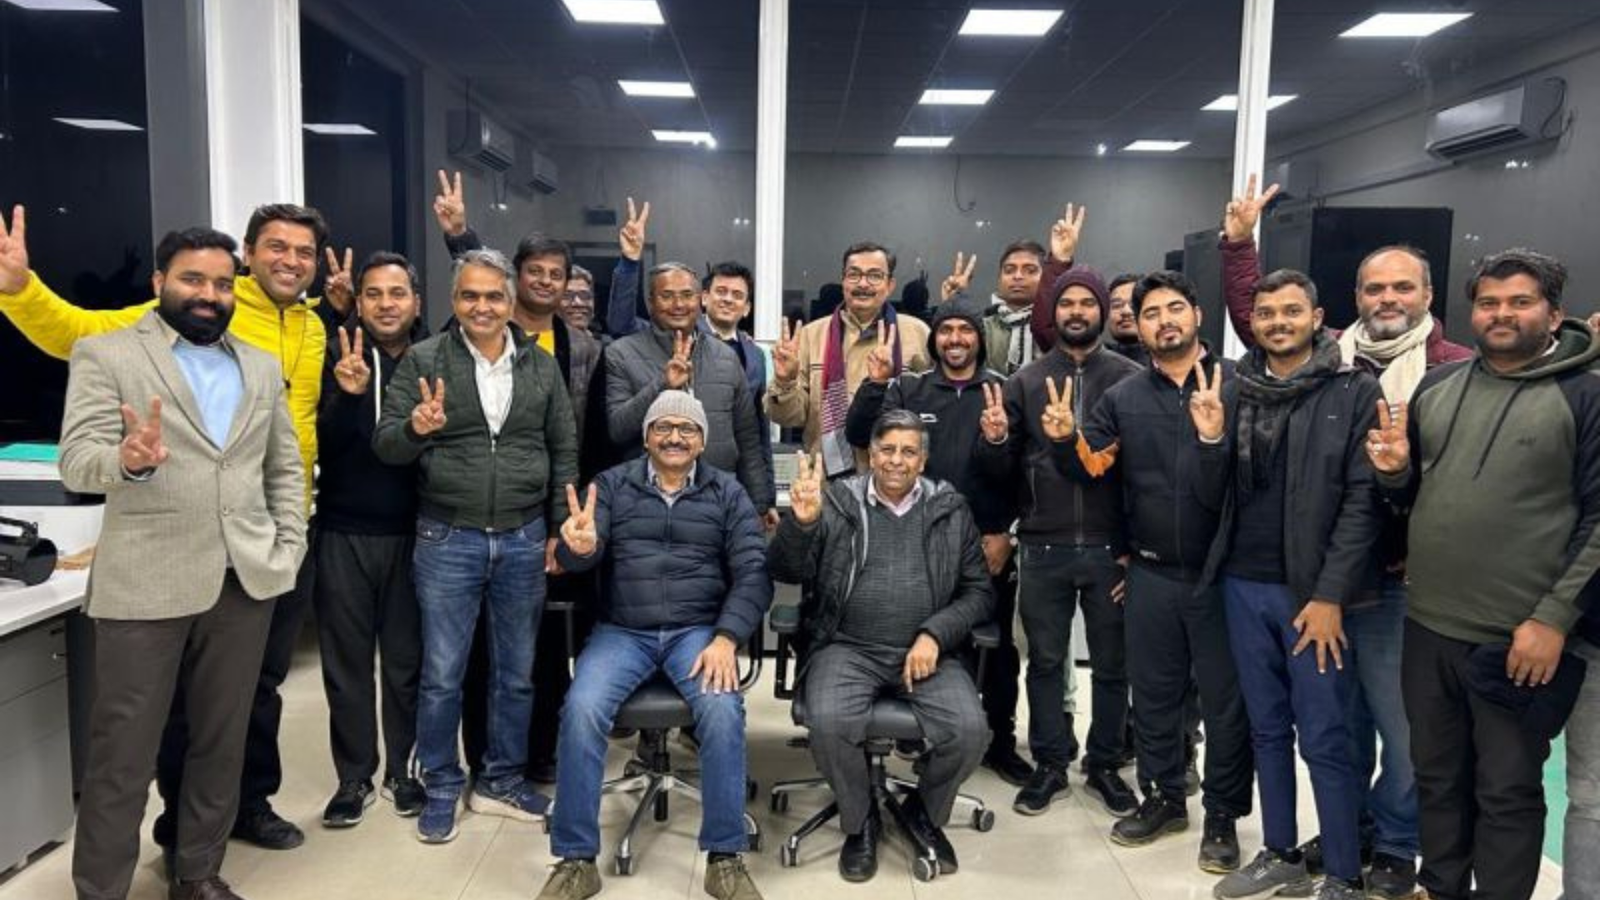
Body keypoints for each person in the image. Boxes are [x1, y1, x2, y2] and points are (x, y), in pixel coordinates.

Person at [0, 201, 329, 851]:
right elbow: (74, 331)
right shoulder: (157, 330)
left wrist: (289, 543)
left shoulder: (311, 329)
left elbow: (287, 457)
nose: (290, 260)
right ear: (248, 257)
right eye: (277, 247)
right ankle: (168, 831)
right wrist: (20, 291)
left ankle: (230, 825)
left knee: (245, 704)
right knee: (150, 724)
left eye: (304, 252)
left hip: (261, 551)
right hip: (166, 560)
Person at [1219, 175, 1471, 896]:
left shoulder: (1382, 382)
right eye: (1375, 288)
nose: (1387, 299)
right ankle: (1299, 848)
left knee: (1372, 731)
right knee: (1293, 726)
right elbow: (1255, 311)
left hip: (1364, 583)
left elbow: (1365, 500)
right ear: (1353, 303)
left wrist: (1328, 591)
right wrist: (1238, 246)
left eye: (1402, 288)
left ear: (1428, 296)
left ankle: (1369, 856)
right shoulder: (1251, 383)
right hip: (1255, 580)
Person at [60, 227, 307, 900]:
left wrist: (288, 545)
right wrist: (128, 462)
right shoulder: (107, 355)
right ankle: (101, 889)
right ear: (159, 283)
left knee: (220, 744)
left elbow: (284, 468)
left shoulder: (256, 365)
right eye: (193, 280)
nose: (209, 295)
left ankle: (197, 872)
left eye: (223, 284)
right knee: (122, 757)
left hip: (243, 582)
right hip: (146, 584)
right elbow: (77, 460)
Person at [1366, 248, 1600, 900]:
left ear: (1553, 311)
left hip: (1519, 637)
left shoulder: (1585, 393)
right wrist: (1392, 476)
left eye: (1520, 301)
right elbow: (1418, 500)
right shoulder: (1438, 389)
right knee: (1437, 776)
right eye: (1489, 302)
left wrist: (1553, 618)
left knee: (1506, 789)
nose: (1502, 314)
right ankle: (1441, 888)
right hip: (1430, 624)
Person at [372, 247, 579, 843]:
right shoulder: (424, 359)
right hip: (447, 536)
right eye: (470, 295)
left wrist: (559, 528)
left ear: (510, 302)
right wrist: (418, 428)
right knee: (443, 672)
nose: (482, 307)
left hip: (522, 537)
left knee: (515, 673)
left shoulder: (540, 366)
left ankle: (501, 781)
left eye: (493, 296)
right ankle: (441, 782)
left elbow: (562, 448)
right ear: (453, 300)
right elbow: (387, 444)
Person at [1056, 271, 1253, 871]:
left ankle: (1220, 814)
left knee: (1225, 705)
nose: (1164, 320)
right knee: (1157, 697)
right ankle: (1165, 797)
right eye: (1150, 313)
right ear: (1137, 326)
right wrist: (1066, 440)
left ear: (1196, 315)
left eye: (1175, 309)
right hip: (1149, 573)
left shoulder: (1240, 386)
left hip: (1224, 575)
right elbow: (1093, 471)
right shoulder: (1124, 396)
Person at [538, 391, 771, 900]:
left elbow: (754, 573)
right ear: (645, 436)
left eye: (686, 429)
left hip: (698, 632)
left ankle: (725, 858)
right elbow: (583, 555)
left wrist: (728, 637)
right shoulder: (612, 488)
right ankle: (576, 860)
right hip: (624, 631)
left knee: (722, 709)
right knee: (580, 709)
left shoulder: (727, 493)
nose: (673, 437)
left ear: (703, 441)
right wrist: (579, 550)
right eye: (662, 427)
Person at [1200, 269, 1384, 900]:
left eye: (1290, 311)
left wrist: (1331, 595)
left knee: (1326, 733)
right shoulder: (1234, 388)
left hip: (1313, 595)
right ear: (1252, 323)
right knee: (1267, 726)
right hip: (1240, 584)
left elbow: (1365, 502)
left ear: (1317, 315)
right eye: (1266, 313)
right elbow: (1211, 493)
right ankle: (1280, 851)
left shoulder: (1352, 389)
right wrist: (1208, 439)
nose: (1277, 322)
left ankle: (1341, 873)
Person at [432, 170, 604, 785]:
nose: (547, 283)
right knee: (478, 653)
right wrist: (459, 235)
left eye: (558, 276)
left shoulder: (579, 346)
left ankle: (542, 750)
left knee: (543, 645)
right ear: (516, 280)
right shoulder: (469, 337)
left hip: (550, 513)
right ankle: (480, 760)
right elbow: (472, 275)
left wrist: (570, 516)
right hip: (473, 518)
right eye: (535, 273)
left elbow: (576, 434)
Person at [769, 410, 993, 882]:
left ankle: (922, 812)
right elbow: (788, 571)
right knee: (829, 721)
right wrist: (801, 524)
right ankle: (860, 819)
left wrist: (935, 633)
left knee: (970, 731)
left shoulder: (950, 510)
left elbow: (979, 592)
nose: (896, 460)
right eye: (887, 449)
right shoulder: (837, 502)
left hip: (926, 651)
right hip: (845, 645)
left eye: (909, 451)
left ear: (923, 459)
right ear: (871, 453)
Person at [977, 263, 1142, 819]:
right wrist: (997, 441)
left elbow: (1141, 472)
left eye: (1087, 304)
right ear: (1055, 313)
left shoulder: (1127, 378)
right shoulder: (1023, 380)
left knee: (1114, 664)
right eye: (1067, 303)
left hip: (1108, 548)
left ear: (1101, 312)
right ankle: (1050, 763)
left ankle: (1104, 764)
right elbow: (1001, 471)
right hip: (1043, 546)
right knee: (1045, 661)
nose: (1076, 312)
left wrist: (1132, 545)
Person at [846, 287, 1028, 784]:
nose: (955, 339)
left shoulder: (1004, 390)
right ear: (935, 338)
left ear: (978, 339)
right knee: (924, 634)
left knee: (994, 646)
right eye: (946, 329)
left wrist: (1006, 535)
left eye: (965, 330)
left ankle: (999, 740)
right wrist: (873, 385)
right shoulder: (910, 389)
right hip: (914, 542)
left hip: (986, 543)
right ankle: (921, 731)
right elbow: (863, 437)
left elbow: (1016, 473)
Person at [313, 252, 429, 827]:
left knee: (407, 662)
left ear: (417, 302)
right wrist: (349, 395)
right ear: (357, 302)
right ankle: (353, 776)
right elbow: (321, 444)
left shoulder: (433, 358)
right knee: (347, 663)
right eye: (374, 294)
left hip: (415, 533)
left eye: (398, 293)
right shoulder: (335, 353)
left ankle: (404, 770)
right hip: (343, 530)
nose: (387, 304)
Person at [603, 260, 774, 515]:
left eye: (687, 295)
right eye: (667, 296)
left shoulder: (726, 358)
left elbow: (748, 441)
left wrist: (761, 504)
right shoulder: (621, 353)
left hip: (717, 502)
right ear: (651, 302)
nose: (679, 305)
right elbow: (617, 429)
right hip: (645, 503)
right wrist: (662, 384)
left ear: (699, 300)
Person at [766, 242, 931, 476]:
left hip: (898, 481)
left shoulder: (917, 334)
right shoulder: (812, 336)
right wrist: (784, 382)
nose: (863, 283)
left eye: (874, 276)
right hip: (827, 482)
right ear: (843, 280)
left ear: (890, 284)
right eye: (854, 274)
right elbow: (790, 417)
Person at [1104, 273, 1148, 366]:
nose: (1126, 311)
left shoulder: (1167, 362)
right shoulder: (1094, 362)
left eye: (1133, 305)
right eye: (1117, 305)